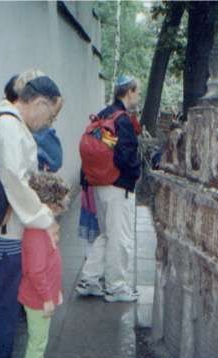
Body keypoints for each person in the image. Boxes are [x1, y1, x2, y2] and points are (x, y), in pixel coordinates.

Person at [0, 70, 63, 358]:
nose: (49, 122)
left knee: (3, 304)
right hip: (4, 232)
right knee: (1, 306)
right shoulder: (10, 125)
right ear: (39, 102)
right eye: (51, 113)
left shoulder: (0, 118)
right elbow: (14, 180)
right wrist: (43, 218)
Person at [76, 75, 141, 303]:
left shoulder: (104, 114)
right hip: (117, 187)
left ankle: (89, 279)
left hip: (98, 184)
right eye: (137, 91)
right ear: (129, 92)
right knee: (120, 237)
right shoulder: (122, 119)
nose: (138, 96)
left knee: (106, 234)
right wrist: (134, 175)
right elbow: (126, 157)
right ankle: (116, 287)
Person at [17, 172, 69, 358]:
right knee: (37, 343)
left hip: (40, 297)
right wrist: (48, 297)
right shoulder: (37, 233)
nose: (60, 211)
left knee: (40, 340)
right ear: (47, 204)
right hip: (38, 299)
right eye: (58, 207)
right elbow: (36, 272)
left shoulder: (40, 228)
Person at [4, 74, 63, 173]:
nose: (49, 124)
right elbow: (15, 184)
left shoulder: (9, 120)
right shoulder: (11, 127)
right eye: (50, 117)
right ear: (40, 104)